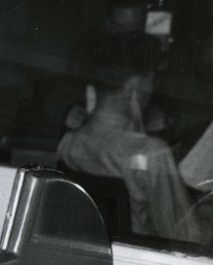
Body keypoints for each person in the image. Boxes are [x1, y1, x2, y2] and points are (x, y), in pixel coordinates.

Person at [57, 32, 211, 246]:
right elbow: (190, 238)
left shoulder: (69, 143)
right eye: (152, 80)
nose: (153, 88)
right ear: (135, 85)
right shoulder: (151, 153)